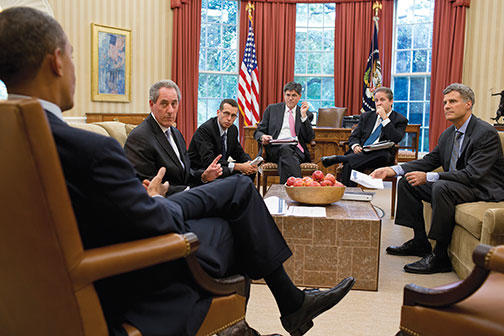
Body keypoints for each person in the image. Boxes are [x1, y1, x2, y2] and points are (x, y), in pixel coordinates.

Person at [0, 7, 355, 336]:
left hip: (50, 281)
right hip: (127, 275)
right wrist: (151, 196)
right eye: (73, 56)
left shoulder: (15, 141)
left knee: (235, 194)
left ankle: (283, 307)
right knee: (236, 215)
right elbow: (154, 223)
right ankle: (266, 314)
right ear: (57, 62)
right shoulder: (88, 150)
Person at [371, 83, 504, 274]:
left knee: (441, 187)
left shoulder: (485, 133)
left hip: (481, 188)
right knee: (408, 181)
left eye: (452, 101)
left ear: (468, 104)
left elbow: (473, 174)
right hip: (458, 184)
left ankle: (440, 256)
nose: (447, 106)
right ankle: (420, 242)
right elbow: (428, 161)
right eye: (444, 102)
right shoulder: (448, 134)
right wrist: (392, 170)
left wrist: (430, 177)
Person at [124, 80, 223, 196]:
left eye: (174, 104)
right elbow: (148, 185)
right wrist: (189, 191)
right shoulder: (139, 137)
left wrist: (204, 176)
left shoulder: (176, 133)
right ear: (152, 104)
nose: (170, 110)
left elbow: (184, 173)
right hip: (165, 203)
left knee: (229, 187)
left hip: (185, 196)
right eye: (164, 104)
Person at [321, 87, 408, 186]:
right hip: (361, 152)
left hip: (380, 156)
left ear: (391, 101)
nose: (379, 103)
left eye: (382, 100)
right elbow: (354, 137)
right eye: (376, 100)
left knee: (377, 155)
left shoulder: (400, 120)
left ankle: (340, 159)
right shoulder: (367, 116)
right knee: (351, 163)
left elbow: (395, 138)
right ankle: (349, 193)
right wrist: (355, 146)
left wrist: (385, 118)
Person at [254, 81, 315, 184]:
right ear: (284, 95)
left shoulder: (306, 113)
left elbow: (309, 137)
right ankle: (297, 186)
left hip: (297, 151)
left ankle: (287, 188)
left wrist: (303, 116)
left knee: (286, 151)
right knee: (286, 150)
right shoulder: (272, 109)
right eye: (288, 95)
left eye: (294, 95)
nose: (290, 98)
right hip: (274, 149)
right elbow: (258, 131)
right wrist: (262, 137)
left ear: (299, 97)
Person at [188, 98, 258, 179]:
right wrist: (238, 166)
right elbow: (209, 161)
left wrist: (250, 164)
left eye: (233, 115)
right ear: (218, 112)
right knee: (227, 171)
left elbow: (239, 153)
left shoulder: (233, 129)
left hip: (220, 166)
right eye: (226, 113)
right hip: (202, 169)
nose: (229, 118)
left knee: (249, 172)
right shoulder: (205, 129)